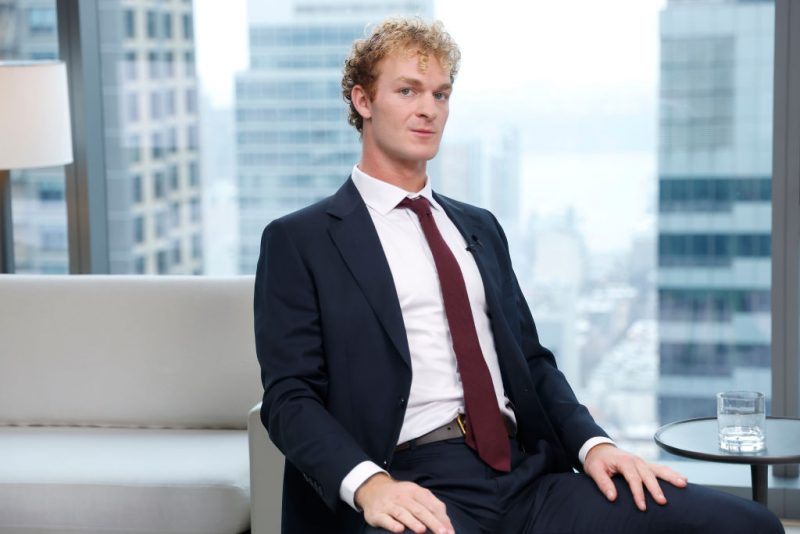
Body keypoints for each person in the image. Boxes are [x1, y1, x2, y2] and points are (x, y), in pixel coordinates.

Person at [253, 16, 784, 534]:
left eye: (440, 94)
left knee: (748, 523)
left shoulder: (478, 227)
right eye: (408, 91)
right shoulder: (301, 240)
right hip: (409, 481)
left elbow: (531, 361)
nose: (428, 110)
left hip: (525, 474)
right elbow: (289, 397)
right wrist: (371, 485)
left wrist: (594, 445)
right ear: (362, 100)